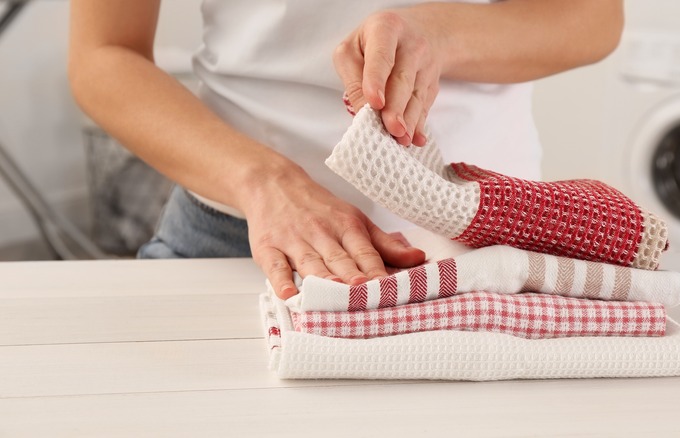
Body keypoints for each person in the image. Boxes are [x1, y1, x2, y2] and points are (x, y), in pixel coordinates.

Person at [68, 0, 624, 299]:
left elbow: (593, 17)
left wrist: (443, 34)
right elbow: (103, 53)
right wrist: (264, 182)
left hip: (485, 251)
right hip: (234, 244)